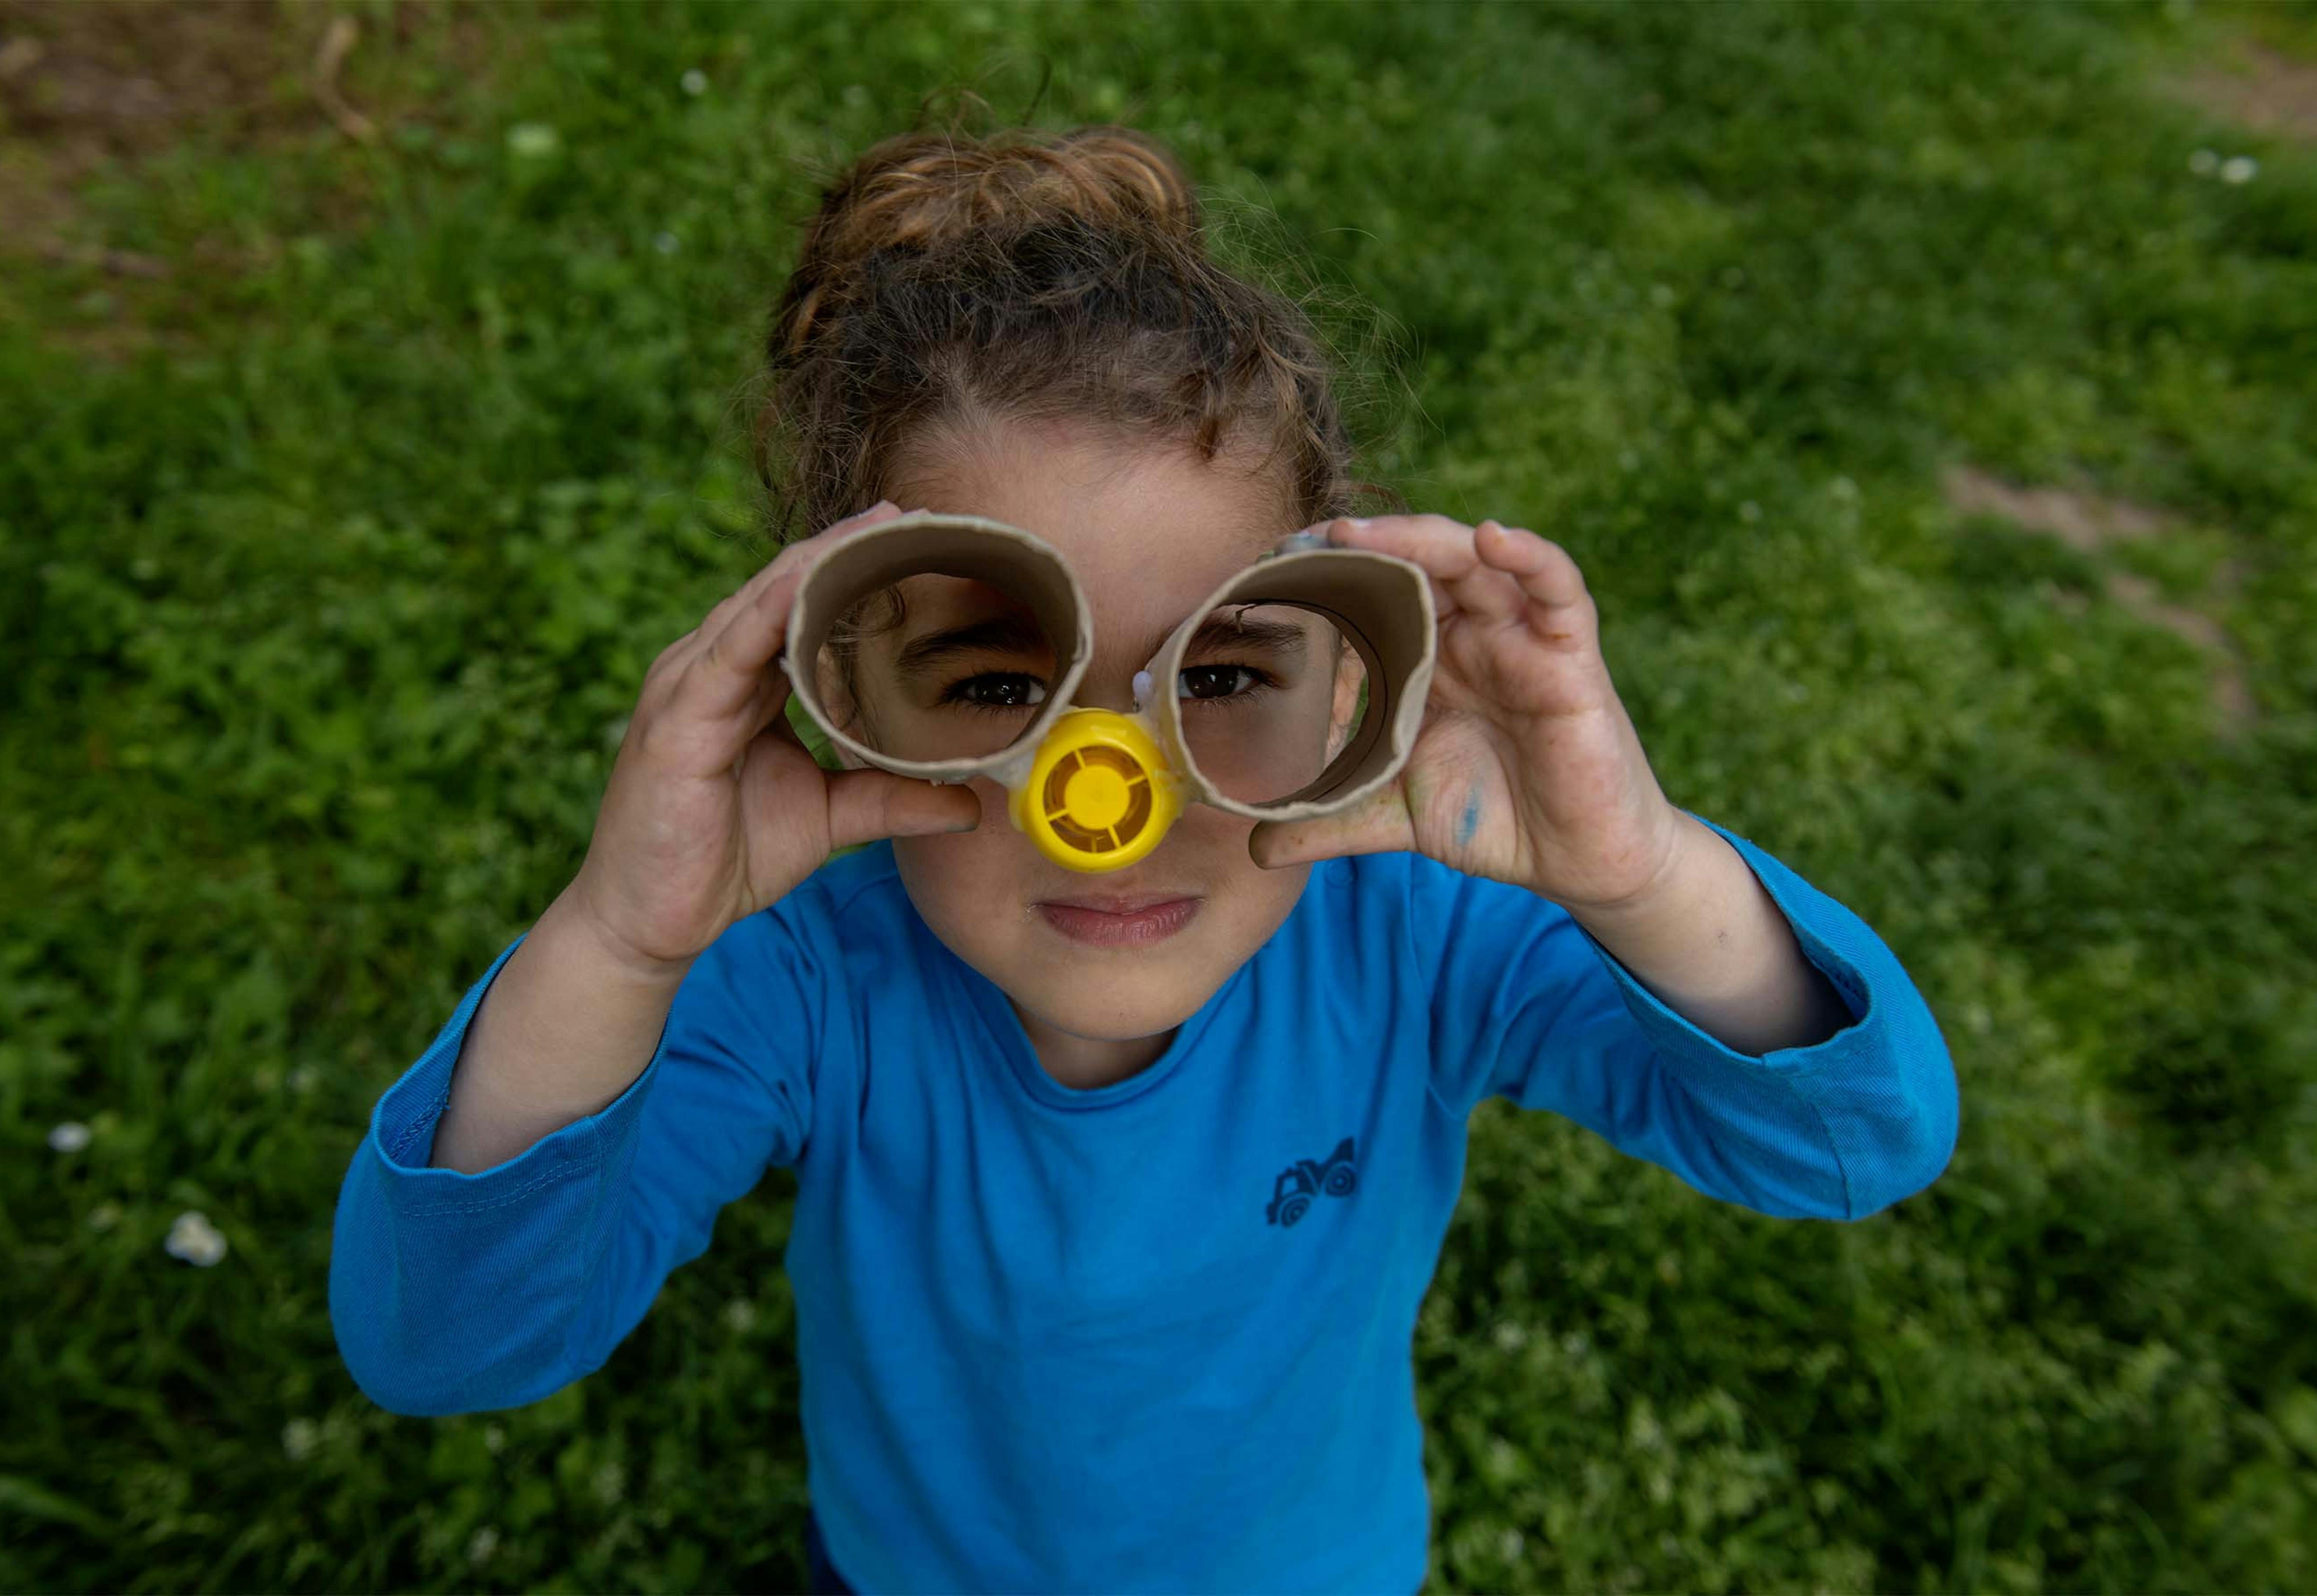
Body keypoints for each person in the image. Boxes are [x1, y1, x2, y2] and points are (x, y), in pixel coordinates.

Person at [329, 114, 1959, 1595]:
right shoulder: (806, 976)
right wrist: (619, 944)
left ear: (1352, 670)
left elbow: (1848, 1147)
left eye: (1224, 676)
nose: (1110, 791)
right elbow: (448, 1343)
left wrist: (1635, 874)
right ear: (835, 697)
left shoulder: (1405, 926)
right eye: (991, 681)